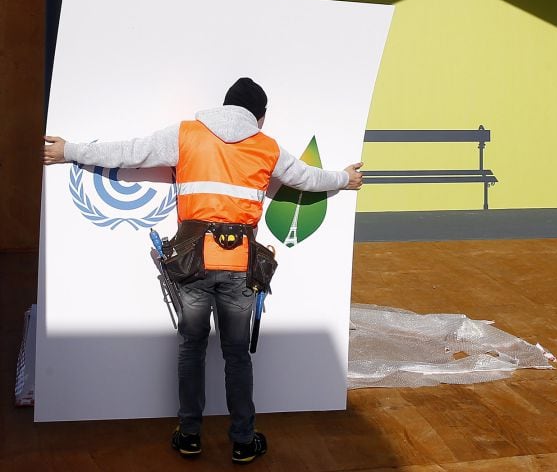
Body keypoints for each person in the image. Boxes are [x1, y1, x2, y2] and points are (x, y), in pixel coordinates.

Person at [42, 77, 363, 464]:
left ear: (224, 106)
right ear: (258, 116)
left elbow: (129, 152)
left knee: (192, 348)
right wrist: (345, 179)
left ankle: (189, 435)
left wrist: (68, 152)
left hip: (191, 264)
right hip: (240, 268)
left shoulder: (186, 134)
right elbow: (308, 179)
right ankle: (243, 440)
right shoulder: (267, 147)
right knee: (237, 355)